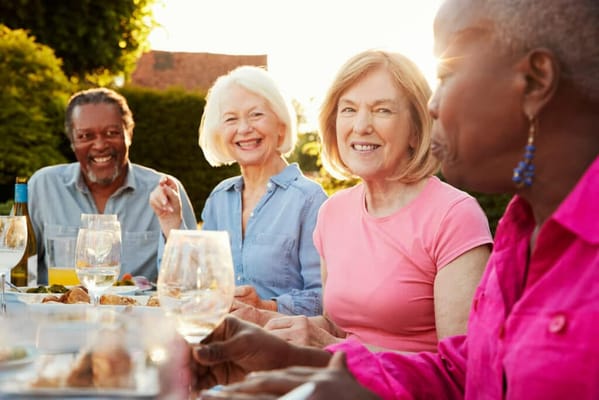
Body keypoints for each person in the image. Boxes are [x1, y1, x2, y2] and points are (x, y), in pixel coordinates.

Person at [183, 0, 599, 398]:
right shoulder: (520, 229)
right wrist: (288, 356)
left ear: (535, 80)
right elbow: (465, 377)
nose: (434, 105)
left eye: (448, 75)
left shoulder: (460, 215)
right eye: (349, 110)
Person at [260, 50, 492, 353]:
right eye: (348, 109)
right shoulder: (332, 212)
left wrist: (333, 348)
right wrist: (260, 321)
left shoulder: (454, 216)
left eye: (382, 110)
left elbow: (461, 370)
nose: (361, 126)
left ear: (416, 130)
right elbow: (339, 328)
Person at [150, 66, 327, 316]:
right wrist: (171, 224)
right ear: (219, 132)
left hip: (282, 346)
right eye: (231, 119)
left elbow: (327, 298)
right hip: (221, 340)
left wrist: (266, 307)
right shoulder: (220, 198)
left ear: (281, 125)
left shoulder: (310, 200)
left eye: (256, 115)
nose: (244, 129)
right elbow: (192, 286)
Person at [29, 88, 197, 284]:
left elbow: (191, 279)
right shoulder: (43, 186)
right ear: (72, 141)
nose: (100, 145)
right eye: (85, 136)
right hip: (53, 313)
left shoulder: (165, 190)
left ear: (129, 134)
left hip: (136, 314)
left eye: (111, 133)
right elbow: (17, 272)